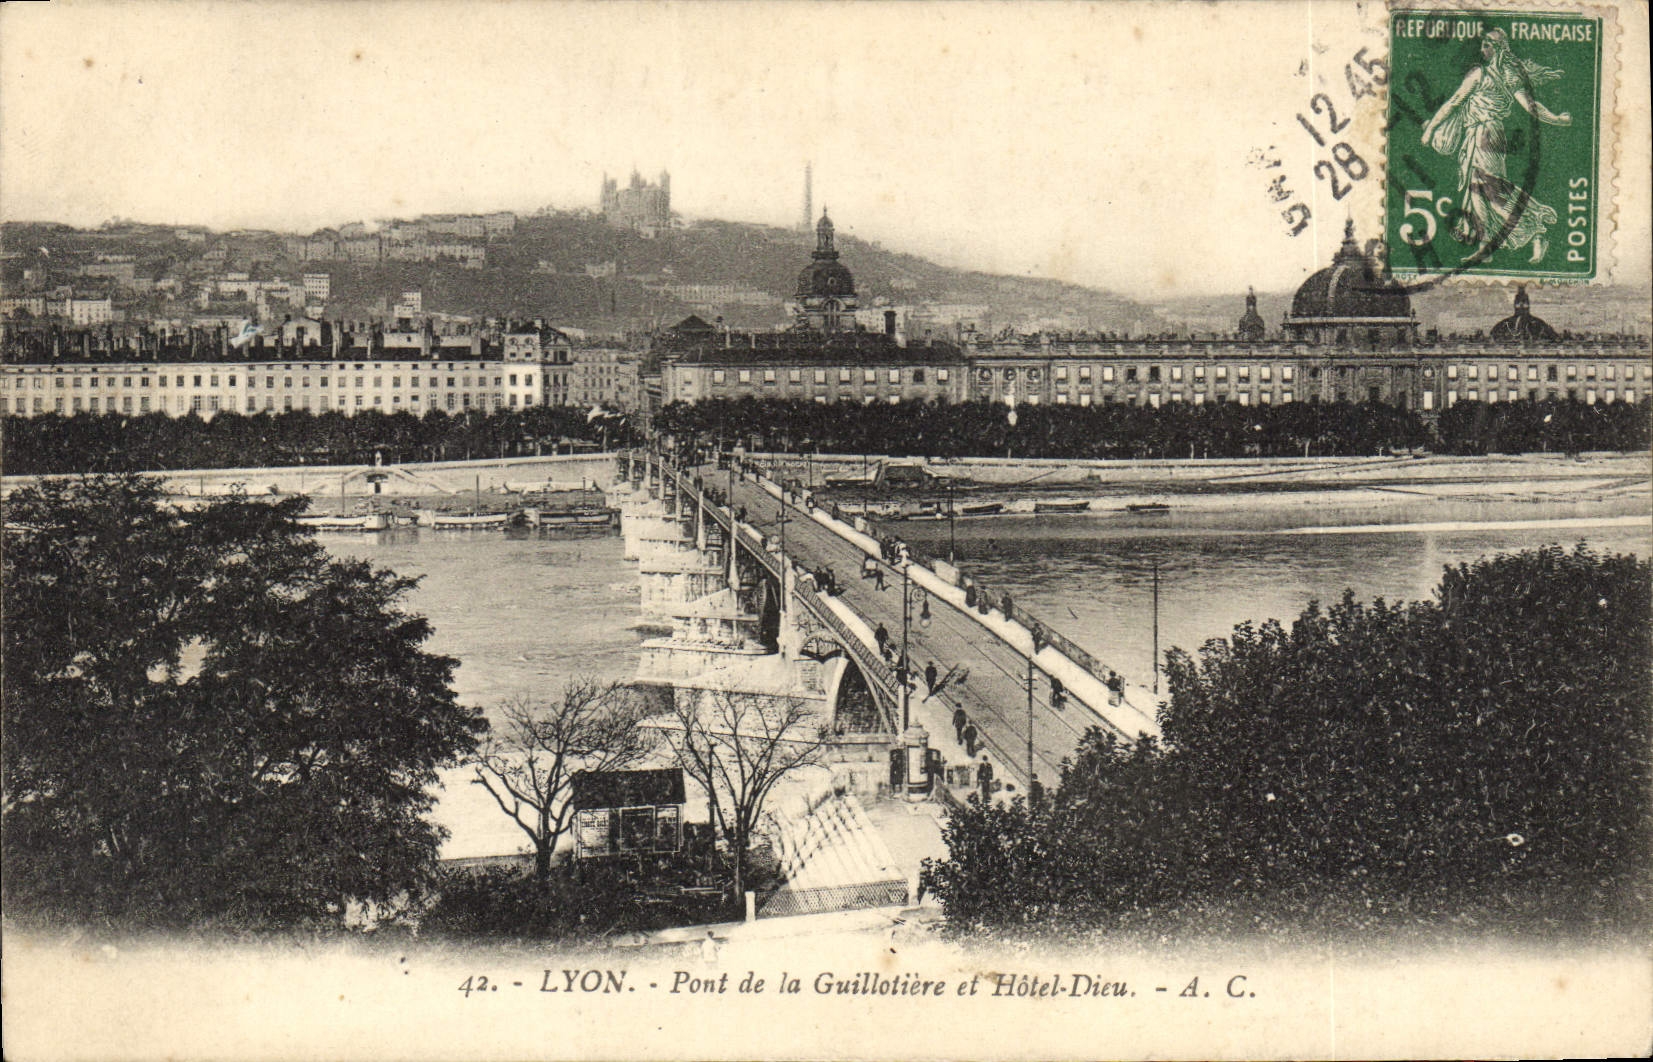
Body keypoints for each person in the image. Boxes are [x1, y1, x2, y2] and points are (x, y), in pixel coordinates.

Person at [1420, 27, 1571, 263]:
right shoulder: (1507, 77)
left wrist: (1430, 130)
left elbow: (1454, 103)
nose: (1482, 49)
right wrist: (1557, 119)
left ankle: (1536, 232)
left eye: (1487, 45)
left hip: (1484, 135)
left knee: (1491, 191)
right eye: (1482, 45)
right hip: (1486, 135)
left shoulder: (1481, 74)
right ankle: (1486, 246)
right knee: (1478, 190)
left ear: (1499, 48)